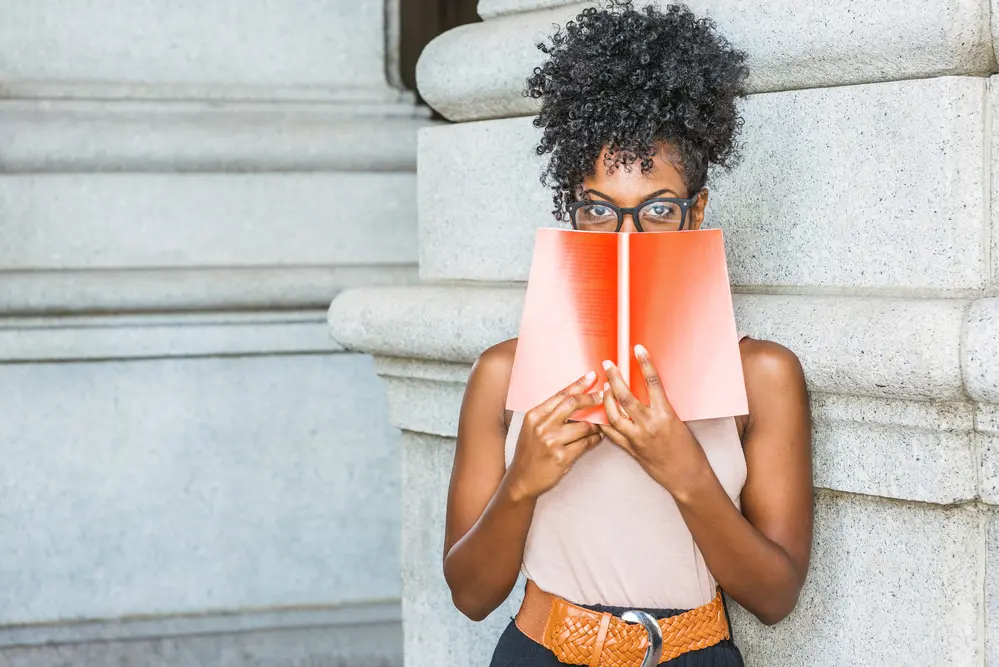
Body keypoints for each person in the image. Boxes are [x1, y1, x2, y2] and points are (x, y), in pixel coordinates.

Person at [443, 3, 814, 665]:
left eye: (658, 210)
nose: (627, 237)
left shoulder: (762, 375)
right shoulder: (504, 373)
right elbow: (470, 594)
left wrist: (685, 472)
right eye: (599, 210)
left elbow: (775, 595)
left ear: (695, 211)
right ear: (571, 210)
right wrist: (522, 480)